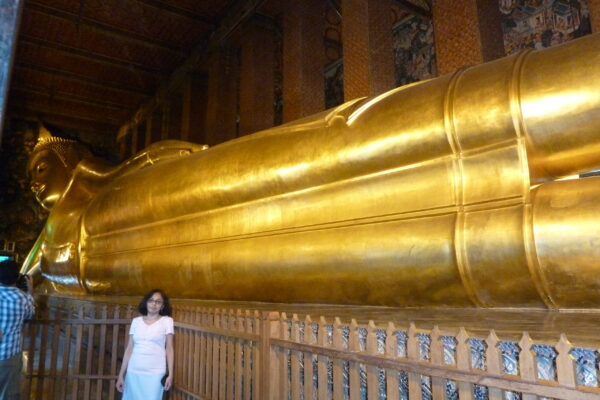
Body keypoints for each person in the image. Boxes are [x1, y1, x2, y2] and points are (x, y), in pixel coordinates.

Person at [117, 289, 174, 399]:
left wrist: (170, 374)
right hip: (133, 371)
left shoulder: (167, 321)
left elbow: (169, 348)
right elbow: (129, 348)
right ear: (146, 302)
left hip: (155, 373)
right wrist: (121, 375)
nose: (154, 304)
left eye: (158, 302)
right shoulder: (136, 321)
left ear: (162, 306)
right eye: (151, 300)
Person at [0, 259, 35, 400]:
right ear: (17, 277)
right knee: (9, 394)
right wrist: (30, 290)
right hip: (9, 355)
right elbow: (31, 313)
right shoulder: (21, 298)